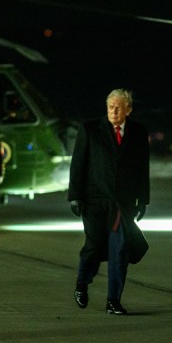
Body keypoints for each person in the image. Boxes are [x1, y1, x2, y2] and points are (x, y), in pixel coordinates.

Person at [68, 88, 150, 315]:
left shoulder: (138, 132)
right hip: (94, 201)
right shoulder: (90, 129)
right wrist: (75, 196)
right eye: (110, 107)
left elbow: (142, 169)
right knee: (94, 246)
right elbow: (78, 164)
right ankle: (82, 283)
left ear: (128, 110)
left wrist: (143, 200)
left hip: (122, 204)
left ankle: (113, 301)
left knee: (120, 252)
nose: (113, 111)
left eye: (118, 108)